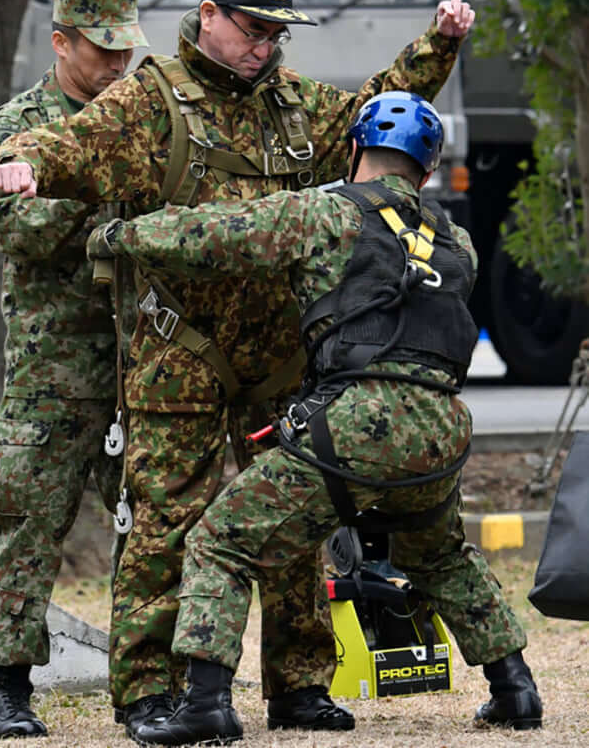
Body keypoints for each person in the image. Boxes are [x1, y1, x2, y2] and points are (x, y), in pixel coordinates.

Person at [0, 0, 474, 740]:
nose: (266, 46)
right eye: (253, 28)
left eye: (278, 32)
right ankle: (149, 690)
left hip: (278, 352)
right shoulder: (150, 100)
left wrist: (438, 44)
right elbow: (71, 144)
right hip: (175, 348)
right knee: (165, 520)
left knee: (292, 518)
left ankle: (299, 684)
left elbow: (377, 116)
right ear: (209, 16)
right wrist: (25, 165)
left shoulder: (293, 105)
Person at [87, 90, 543, 746]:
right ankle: (515, 687)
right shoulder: (459, 241)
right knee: (440, 554)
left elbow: (213, 236)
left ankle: (208, 701)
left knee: (220, 539)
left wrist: (118, 234)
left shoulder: (324, 214)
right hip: (443, 429)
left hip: (356, 422)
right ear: (430, 165)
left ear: (355, 148)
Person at [0, 0, 148, 739]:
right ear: (62, 43)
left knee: (152, 530)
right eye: (102, 52)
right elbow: (10, 223)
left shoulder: (144, 116)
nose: (117, 66)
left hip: (141, 364)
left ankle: (147, 686)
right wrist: (95, 195)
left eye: (125, 51)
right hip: (53, 374)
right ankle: (8, 687)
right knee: (27, 525)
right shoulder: (21, 125)